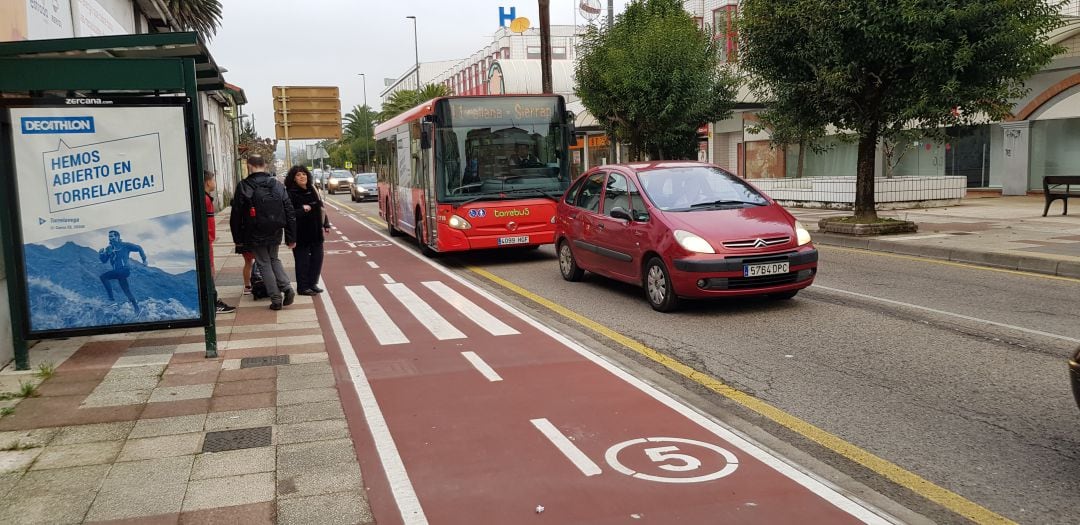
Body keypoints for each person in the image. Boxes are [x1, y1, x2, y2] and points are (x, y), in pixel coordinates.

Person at [230, 155, 297, 310]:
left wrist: (237, 238)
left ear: (249, 166)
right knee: (274, 259)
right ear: (265, 165)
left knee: (263, 263)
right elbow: (289, 210)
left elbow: (236, 215)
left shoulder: (244, 186)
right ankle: (287, 288)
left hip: (255, 230)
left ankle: (275, 299)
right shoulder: (277, 185)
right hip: (275, 229)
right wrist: (291, 236)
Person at [285, 165, 330, 296]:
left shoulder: (312, 189)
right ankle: (303, 287)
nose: (302, 177)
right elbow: (288, 213)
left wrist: (326, 223)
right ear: (293, 178)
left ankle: (312, 283)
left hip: (315, 231)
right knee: (302, 261)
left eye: (304, 174)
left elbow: (321, 208)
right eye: (298, 175)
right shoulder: (290, 193)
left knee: (317, 258)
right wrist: (302, 210)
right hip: (300, 233)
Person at [204, 170, 236, 314]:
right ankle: (213, 302)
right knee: (209, 270)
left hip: (208, 240)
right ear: (208, 182)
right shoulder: (205, 200)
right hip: (206, 242)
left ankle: (212, 300)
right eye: (213, 180)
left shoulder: (206, 198)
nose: (215, 183)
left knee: (210, 270)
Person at [98, 230, 146, 313]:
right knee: (126, 290)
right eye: (109, 236)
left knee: (103, 277)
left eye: (112, 236)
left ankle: (111, 299)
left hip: (124, 270)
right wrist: (101, 254)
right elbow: (104, 261)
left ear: (117, 237)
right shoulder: (109, 248)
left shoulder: (125, 245)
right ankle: (137, 309)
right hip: (119, 272)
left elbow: (139, 248)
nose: (110, 238)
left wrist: (144, 259)